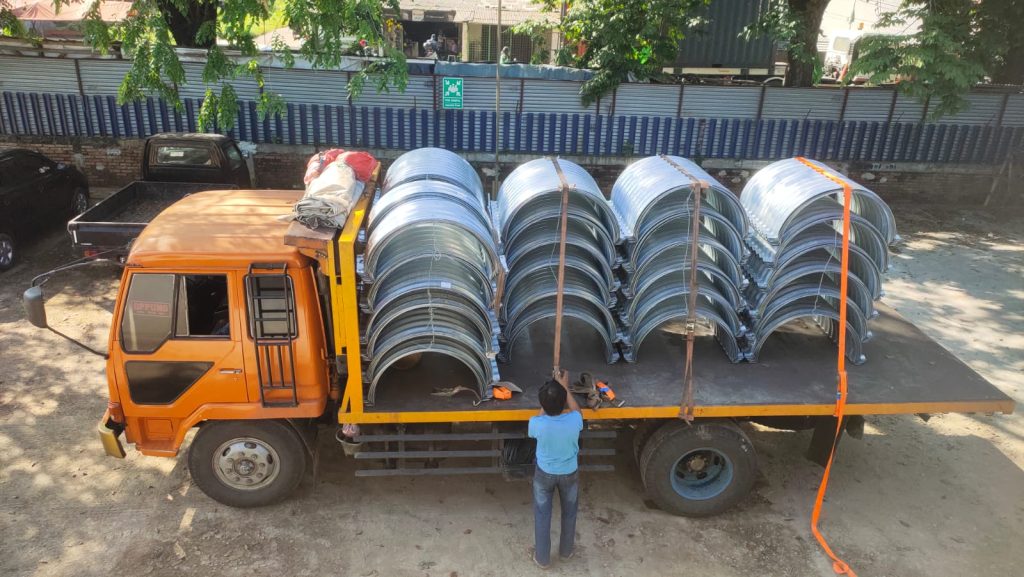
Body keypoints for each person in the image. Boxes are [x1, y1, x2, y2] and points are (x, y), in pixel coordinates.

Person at [528, 369, 583, 568]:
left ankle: (542, 559)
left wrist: (550, 397)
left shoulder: (537, 423)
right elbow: (577, 411)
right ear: (563, 402)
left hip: (544, 474)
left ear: (542, 404)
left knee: (542, 514)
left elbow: (540, 418)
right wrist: (564, 388)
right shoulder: (574, 420)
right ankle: (566, 552)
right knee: (569, 512)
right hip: (569, 473)